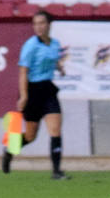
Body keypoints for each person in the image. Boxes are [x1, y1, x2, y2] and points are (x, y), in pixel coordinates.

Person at [6, 9, 69, 179]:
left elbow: (53, 60)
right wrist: (24, 96)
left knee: (55, 130)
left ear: (49, 25)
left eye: (42, 23)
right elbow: (23, 71)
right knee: (30, 136)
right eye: (36, 24)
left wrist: (59, 68)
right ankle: (10, 150)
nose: (38, 27)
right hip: (32, 91)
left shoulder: (55, 43)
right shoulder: (30, 46)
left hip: (48, 90)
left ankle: (56, 171)